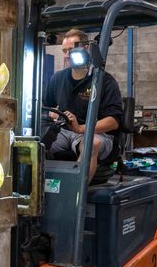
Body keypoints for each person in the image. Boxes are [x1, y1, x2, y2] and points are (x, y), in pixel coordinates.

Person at [43, 29, 123, 182]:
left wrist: (80, 128)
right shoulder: (57, 78)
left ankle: (75, 196)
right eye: (64, 51)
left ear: (86, 49)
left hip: (95, 133)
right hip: (64, 131)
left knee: (91, 144)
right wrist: (51, 114)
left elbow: (113, 121)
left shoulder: (104, 80)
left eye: (71, 50)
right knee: (34, 141)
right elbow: (46, 107)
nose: (66, 55)